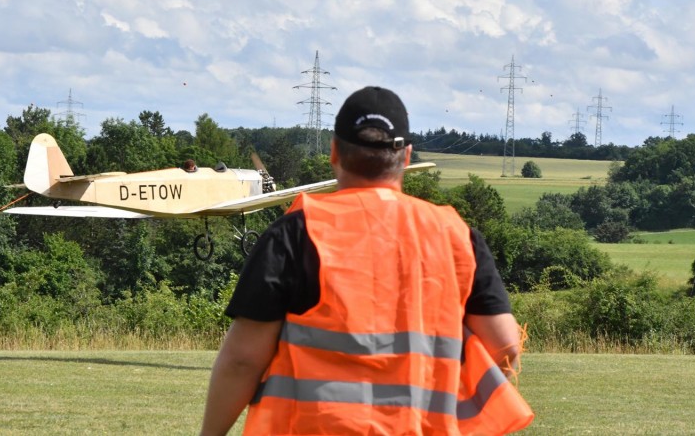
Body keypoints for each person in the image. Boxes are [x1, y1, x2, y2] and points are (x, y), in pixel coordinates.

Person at [200, 86, 533, 435]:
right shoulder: (457, 236)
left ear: (334, 153)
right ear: (406, 156)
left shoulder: (295, 233)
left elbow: (242, 361)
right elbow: (505, 345)